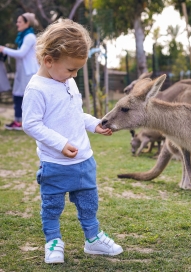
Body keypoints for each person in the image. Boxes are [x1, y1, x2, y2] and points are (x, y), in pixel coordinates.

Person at [21, 19, 123, 264]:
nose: (74, 75)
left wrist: (93, 124)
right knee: (52, 206)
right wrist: (60, 143)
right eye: (71, 69)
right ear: (48, 60)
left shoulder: (67, 80)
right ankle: (53, 241)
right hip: (55, 163)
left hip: (84, 160)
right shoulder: (37, 89)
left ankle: (93, 239)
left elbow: (75, 113)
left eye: (77, 70)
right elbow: (31, 124)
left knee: (89, 202)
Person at [0, 13, 39, 130]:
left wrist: (4, 49)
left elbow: (21, 53)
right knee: (17, 95)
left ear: (27, 23)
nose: (17, 24)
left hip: (29, 72)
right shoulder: (23, 36)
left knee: (24, 96)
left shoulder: (29, 37)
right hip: (22, 72)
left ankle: (23, 122)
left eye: (20, 21)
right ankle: (18, 120)